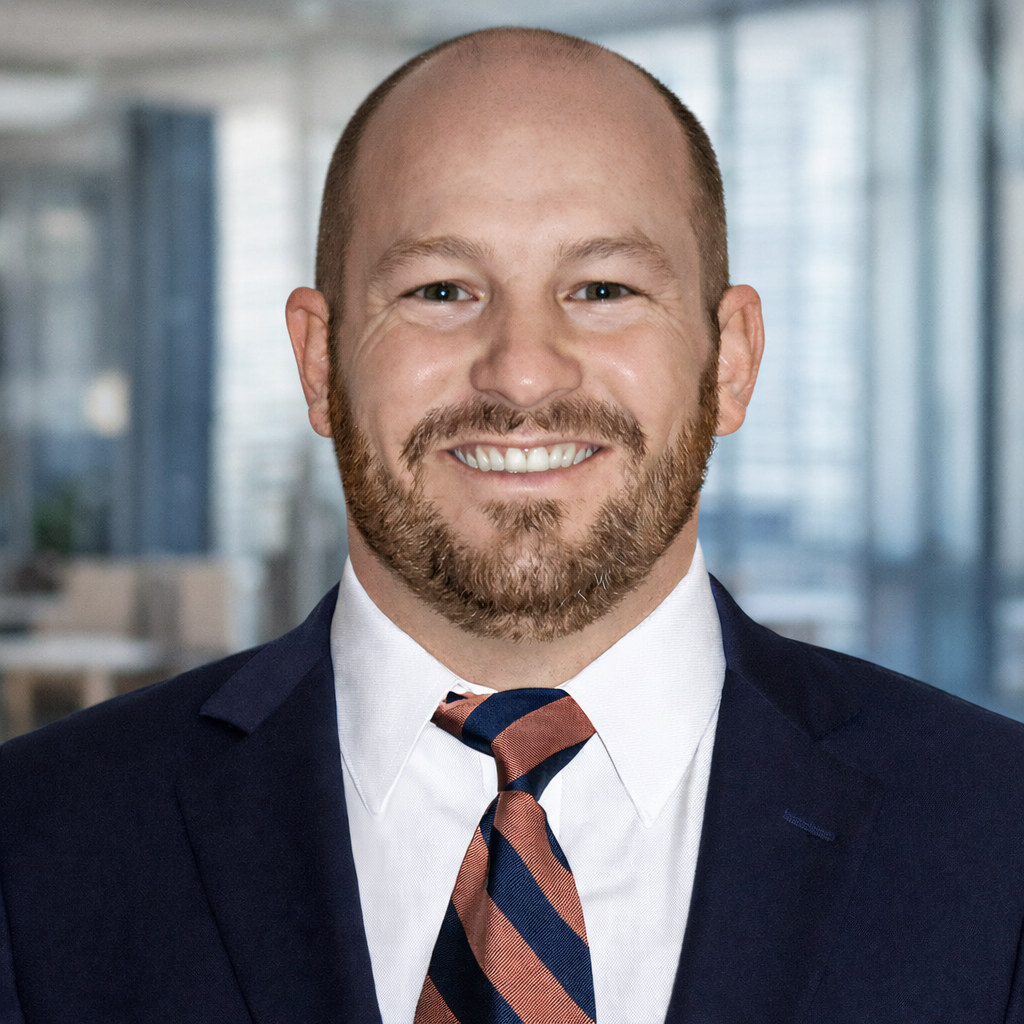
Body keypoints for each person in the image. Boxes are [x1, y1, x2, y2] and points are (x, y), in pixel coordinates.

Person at [2, 26, 1023, 1024]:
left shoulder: (996, 836)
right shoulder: (38, 840)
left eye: (602, 289)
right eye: (441, 290)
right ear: (319, 362)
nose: (522, 370)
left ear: (729, 361)